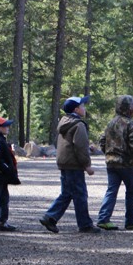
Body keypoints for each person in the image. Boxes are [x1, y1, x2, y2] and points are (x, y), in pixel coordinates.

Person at [39, 96, 101, 234]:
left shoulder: (64, 122)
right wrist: (87, 166)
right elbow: (79, 147)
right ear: (76, 109)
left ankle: (50, 217)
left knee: (67, 193)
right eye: (82, 106)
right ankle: (85, 224)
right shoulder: (78, 124)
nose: (84, 108)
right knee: (80, 194)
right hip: (74, 165)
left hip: (65, 163)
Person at [96, 95, 133, 230]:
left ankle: (103, 218)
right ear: (130, 108)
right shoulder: (131, 124)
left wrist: (108, 153)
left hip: (111, 162)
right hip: (126, 163)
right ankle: (131, 221)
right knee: (131, 191)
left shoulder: (111, 123)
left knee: (111, 190)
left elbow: (102, 140)